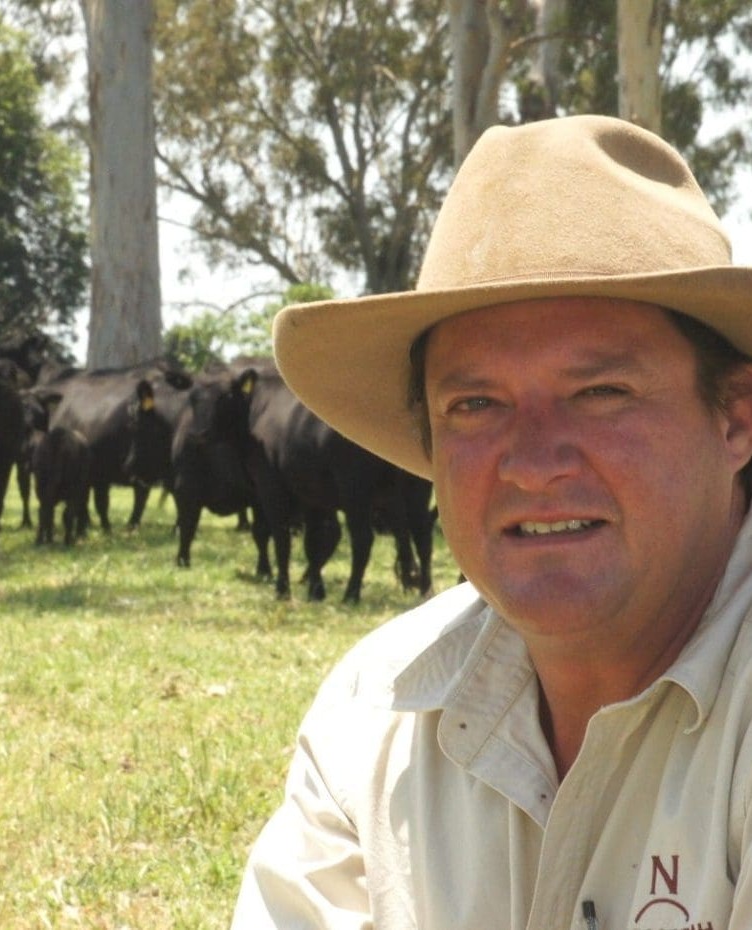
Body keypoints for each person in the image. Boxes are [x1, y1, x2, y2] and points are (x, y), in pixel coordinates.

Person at [229, 114, 752, 929]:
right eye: (476, 405)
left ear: (736, 419)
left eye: (601, 392)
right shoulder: (376, 712)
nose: (534, 462)